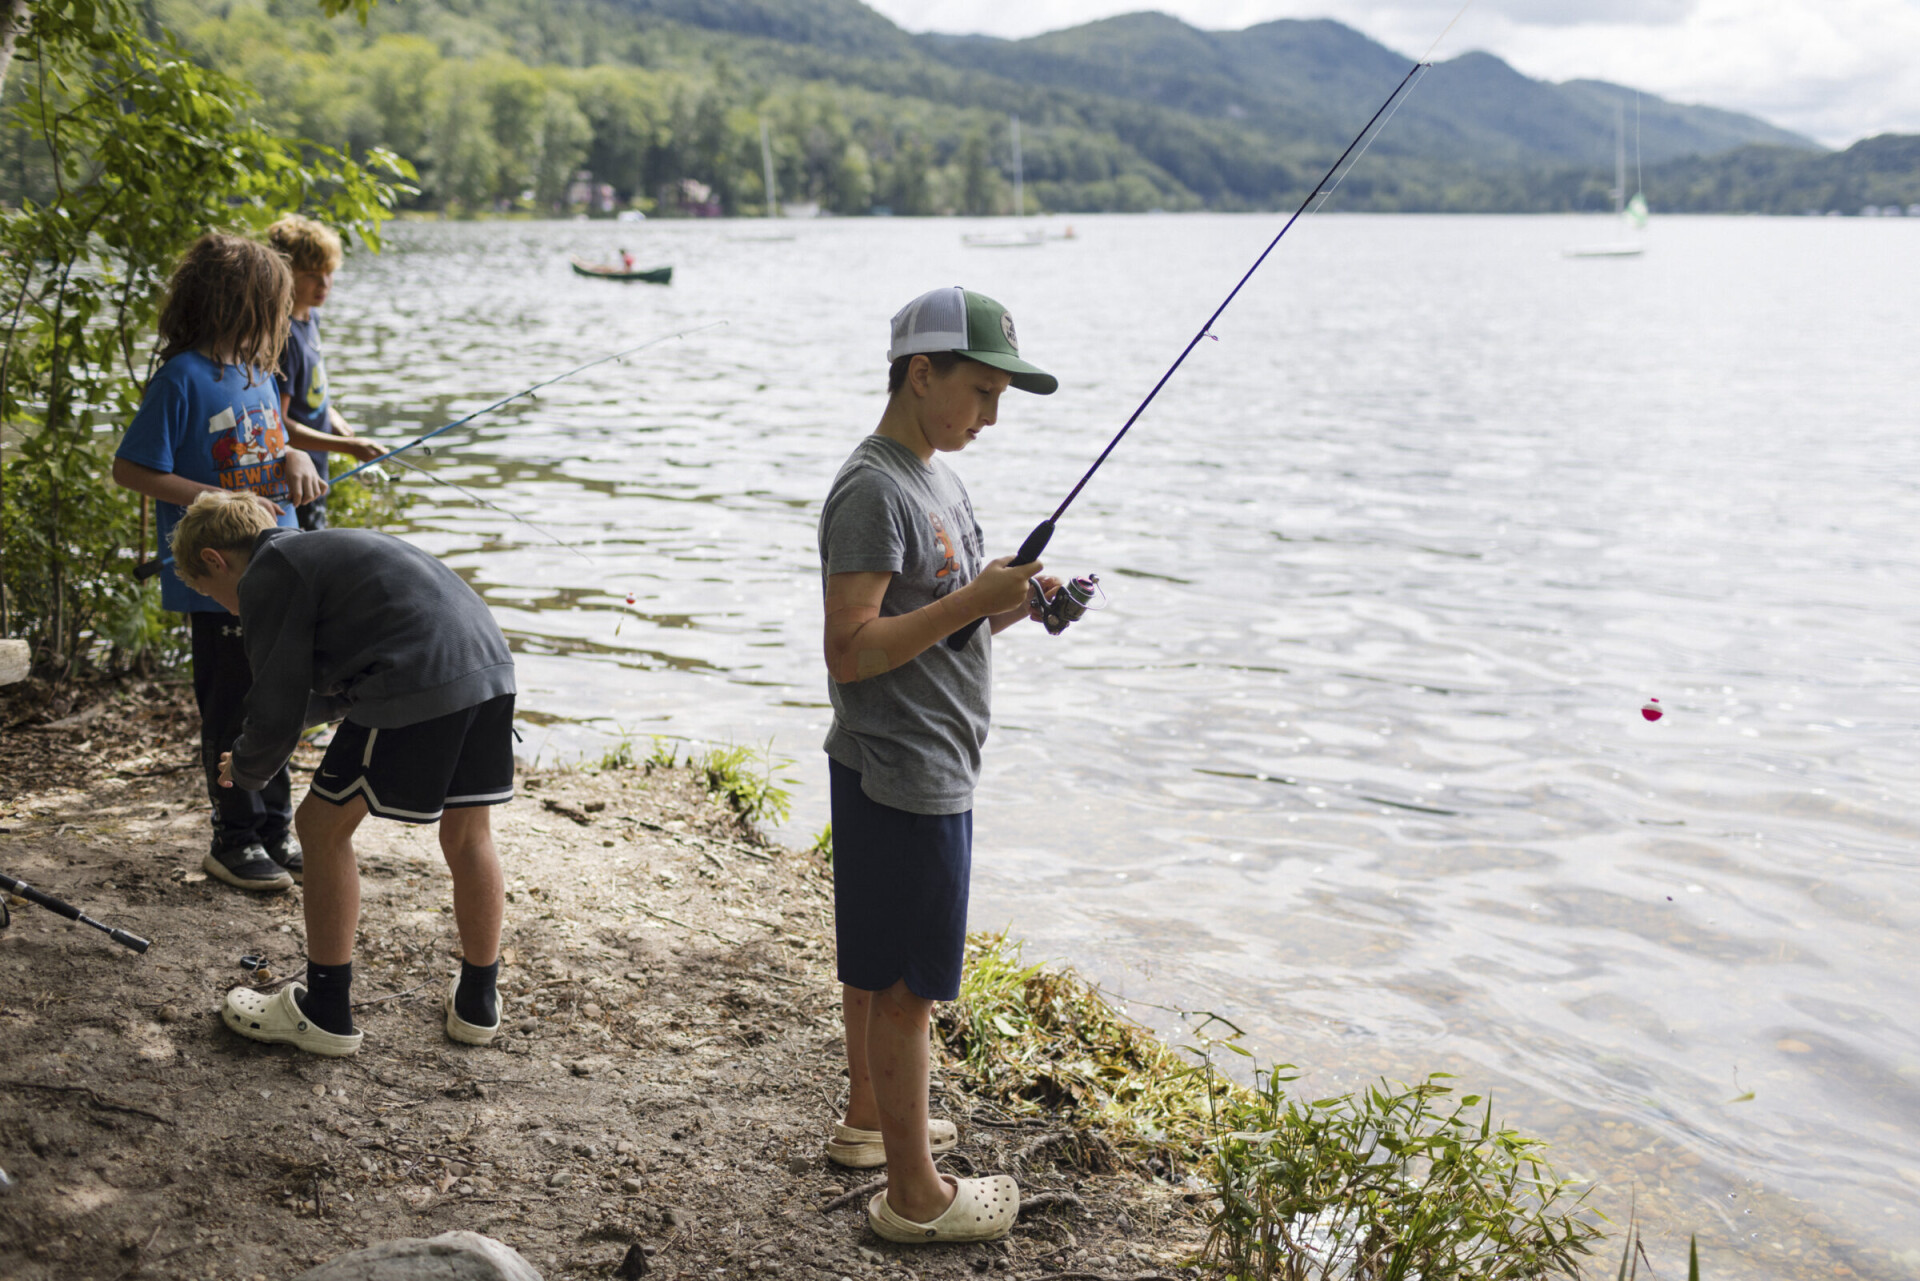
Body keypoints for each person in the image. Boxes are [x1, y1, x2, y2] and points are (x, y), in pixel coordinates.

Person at [817, 286, 1063, 1245]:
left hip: (922, 759)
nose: (992, 416)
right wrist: (971, 606)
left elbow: (939, 612)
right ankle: (916, 1197)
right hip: (906, 769)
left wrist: (1019, 603)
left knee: (881, 969)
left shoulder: (934, 475)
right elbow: (851, 647)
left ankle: (872, 1118)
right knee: (910, 987)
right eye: (982, 391)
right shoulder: (875, 487)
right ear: (922, 373)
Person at [168, 489, 516, 1059]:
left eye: (212, 595)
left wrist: (247, 768)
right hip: (489, 669)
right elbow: (332, 691)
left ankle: (325, 1012)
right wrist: (261, 749)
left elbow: (277, 707)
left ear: (215, 560)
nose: (226, 607)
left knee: (321, 828)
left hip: (417, 676)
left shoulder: (267, 575)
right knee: (468, 834)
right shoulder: (318, 552)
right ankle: (478, 1001)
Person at [112, 232, 330, 894]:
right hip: (220, 581)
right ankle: (232, 836)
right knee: (232, 706)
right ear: (239, 302)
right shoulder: (181, 377)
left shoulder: (259, 374)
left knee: (282, 699)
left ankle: (274, 827)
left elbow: (273, 443)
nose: (282, 314)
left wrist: (294, 458)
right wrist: (215, 496)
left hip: (280, 564)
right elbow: (131, 469)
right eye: (273, 301)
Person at [266, 214, 384, 531]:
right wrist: (350, 448)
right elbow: (278, 422)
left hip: (316, 472)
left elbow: (313, 396)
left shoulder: (310, 318)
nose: (324, 284)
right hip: (293, 479)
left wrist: (337, 423)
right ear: (285, 274)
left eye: (329, 273)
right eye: (312, 275)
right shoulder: (284, 337)